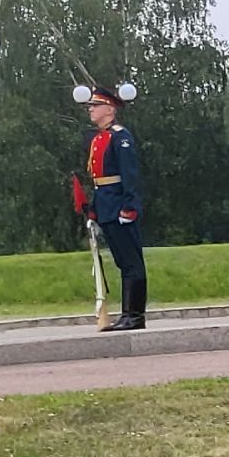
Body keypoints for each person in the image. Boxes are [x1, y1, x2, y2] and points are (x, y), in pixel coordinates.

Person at [80, 83, 146, 331]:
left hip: (119, 206)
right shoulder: (100, 138)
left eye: (95, 105)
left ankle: (135, 315)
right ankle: (127, 314)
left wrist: (129, 206)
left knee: (131, 263)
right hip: (106, 205)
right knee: (122, 262)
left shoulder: (121, 137)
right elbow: (98, 179)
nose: (91, 109)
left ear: (109, 109)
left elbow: (129, 175)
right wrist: (94, 209)